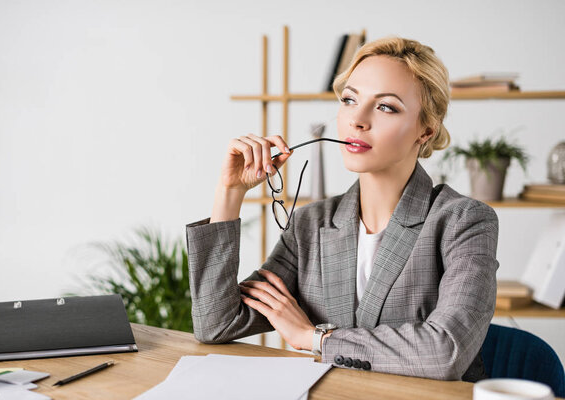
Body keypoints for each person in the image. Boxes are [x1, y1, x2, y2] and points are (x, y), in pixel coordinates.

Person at [185, 36, 499, 382]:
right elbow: (216, 323)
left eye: (386, 107)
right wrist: (230, 192)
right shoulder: (310, 224)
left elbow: (446, 352)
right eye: (350, 100)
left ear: (426, 130)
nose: (357, 120)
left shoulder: (464, 221)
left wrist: (315, 338)